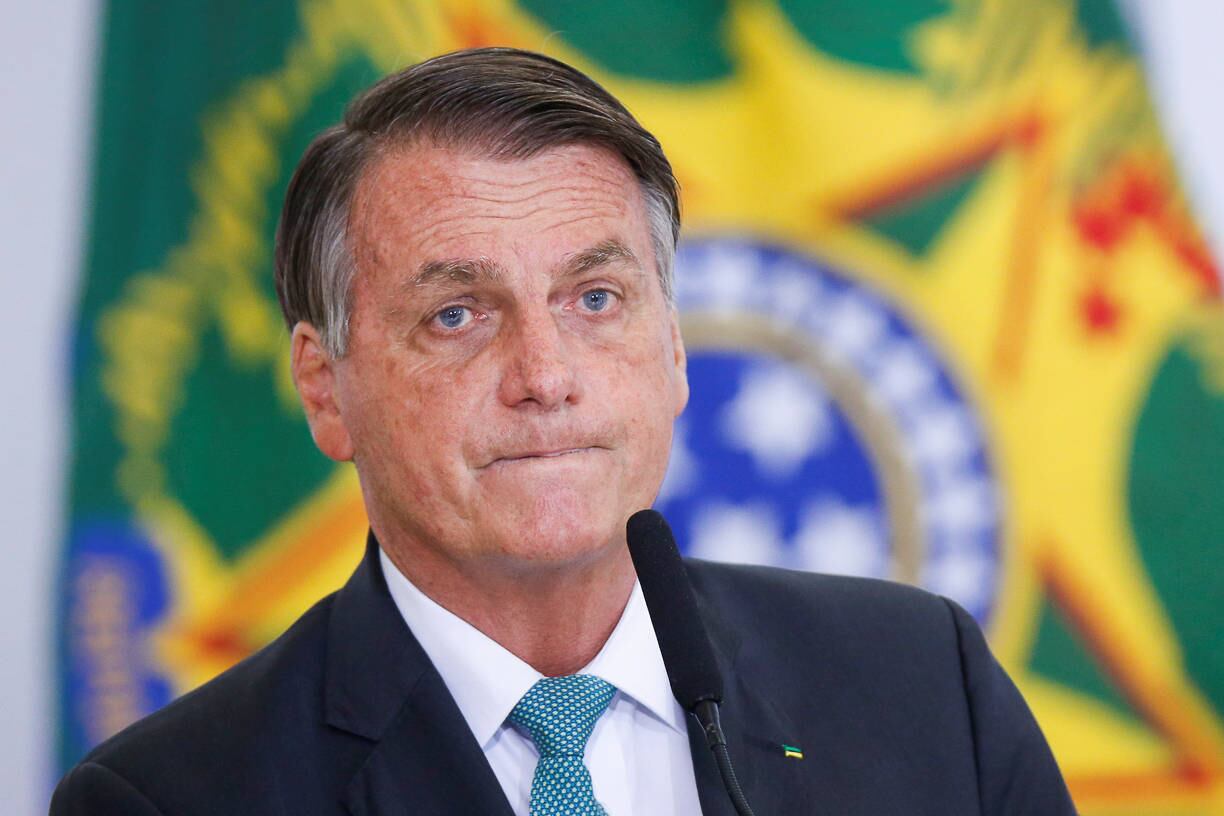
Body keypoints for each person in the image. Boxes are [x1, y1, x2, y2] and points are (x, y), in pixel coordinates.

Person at [51, 47, 1076, 815]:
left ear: (672, 349)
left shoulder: (923, 686)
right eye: (458, 315)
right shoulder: (168, 799)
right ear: (325, 390)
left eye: (594, 299)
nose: (545, 377)